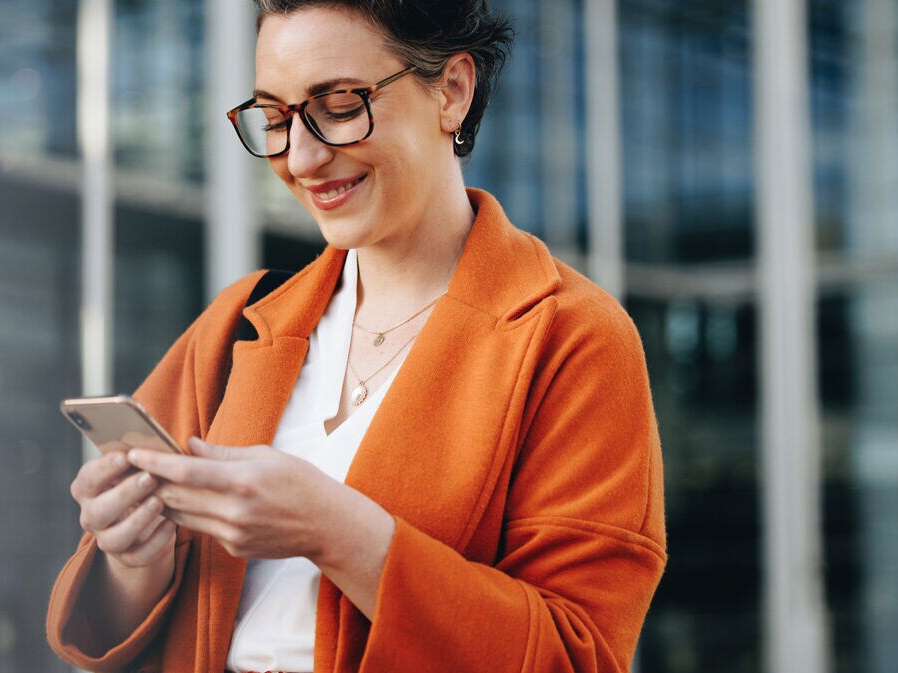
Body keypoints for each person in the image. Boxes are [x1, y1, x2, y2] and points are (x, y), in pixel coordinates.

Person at [46, 1, 667, 671]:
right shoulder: (240, 322)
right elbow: (110, 628)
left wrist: (338, 531)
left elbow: (578, 656)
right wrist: (135, 558)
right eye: (277, 119)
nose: (303, 158)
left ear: (453, 91)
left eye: (340, 104)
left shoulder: (569, 338)